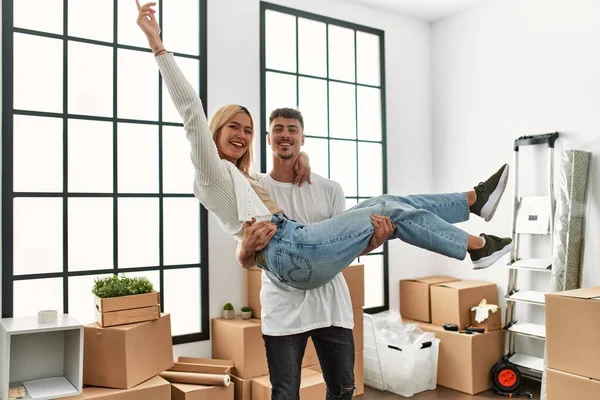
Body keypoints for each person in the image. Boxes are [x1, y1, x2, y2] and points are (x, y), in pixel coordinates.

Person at [136, 1, 514, 292]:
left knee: (390, 202)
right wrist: (157, 45)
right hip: (290, 249)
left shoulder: (244, 178)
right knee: (388, 205)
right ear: (215, 131)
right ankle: (477, 238)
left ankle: (475, 205)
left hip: (298, 245)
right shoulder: (209, 171)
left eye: (248, 130)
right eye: (233, 127)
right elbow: (190, 110)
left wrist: (302, 158)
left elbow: (279, 183)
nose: (241, 135)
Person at [237, 107, 394, 399]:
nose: (285, 135)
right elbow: (247, 260)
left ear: (302, 138)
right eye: (279, 129)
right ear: (269, 138)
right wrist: (244, 249)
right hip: (282, 310)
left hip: (331, 306)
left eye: (292, 129)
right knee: (284, 394)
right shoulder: (256, 188)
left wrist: (375, 241)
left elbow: (346, 249)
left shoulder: (330, 189)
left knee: (343, 390)